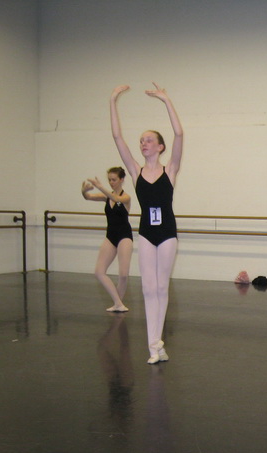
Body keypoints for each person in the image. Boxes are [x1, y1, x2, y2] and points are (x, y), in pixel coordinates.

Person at [110, 83, 183, 364]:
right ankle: (154, 347)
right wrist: (113, 100)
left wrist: (166, 100)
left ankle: (157, 344)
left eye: (149, 140)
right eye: (141, 140)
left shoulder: (170, 169)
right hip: (146, 233)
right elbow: (117, 137)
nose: (144, 143)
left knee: (161, 288)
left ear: (160, 147)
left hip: (167, 233)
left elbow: (179, 134)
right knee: (147, 289)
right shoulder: (135, 171)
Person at [81, 167, 133, 312]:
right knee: (99, 271)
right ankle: (118, 303)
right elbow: (88, 197)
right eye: (109, 180)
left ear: (121, 180)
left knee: (123, 274)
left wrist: (100, 186)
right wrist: (84, 191)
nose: (111, 182)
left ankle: (118, 303)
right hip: (110, 236)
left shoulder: (126, 197)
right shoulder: (106, 196)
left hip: (124, 236)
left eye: (114, 180)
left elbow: (116, 199)